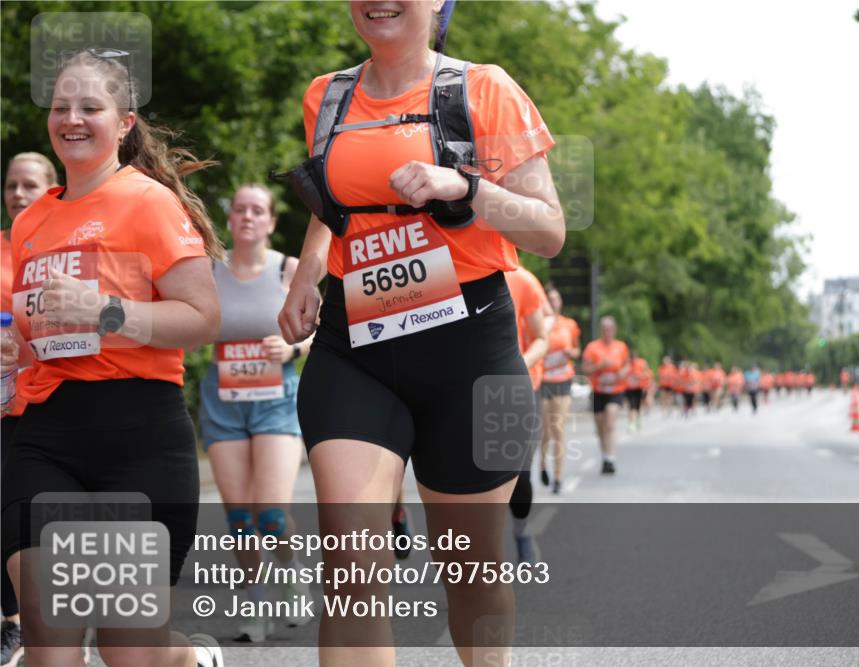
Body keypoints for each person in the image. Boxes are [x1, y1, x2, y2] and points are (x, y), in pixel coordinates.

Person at [277, 2, 564, 664]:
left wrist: (461, 186)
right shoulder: (326, 95)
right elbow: (336, 201)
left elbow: (549, 230)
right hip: (357, 348)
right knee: (349, 561)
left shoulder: (483, 89)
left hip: (470, 352)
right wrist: (307, 273)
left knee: (470, 567)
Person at [1, 50, 224, 667]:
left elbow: (202, 319)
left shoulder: (148, 202)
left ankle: (183, 659)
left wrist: (107, 310)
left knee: (130, 653)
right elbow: (36, 333)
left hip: (140, 437)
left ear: (124, 123)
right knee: (50, 641)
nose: (72, 119)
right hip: (44, 437)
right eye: (60, 106)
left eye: (89, 107)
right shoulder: (32, 221)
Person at [197, 184, 314, 642]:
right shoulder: (209, 271)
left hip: (276, 399)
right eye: (240, 209)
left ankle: (292, 573)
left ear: (270, 221)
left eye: (257, 210)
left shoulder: (289, 270)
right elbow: (191, 322)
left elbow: (317, 332)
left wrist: (292, 348)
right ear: (230, 220)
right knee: (239, 515)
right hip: (222, 399)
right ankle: (253, 607)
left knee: (269, 511)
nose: (247, 216)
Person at [1, 151, 58, 667]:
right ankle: (15, 621)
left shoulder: (68, 248)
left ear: (53, 189)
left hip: (52, 401)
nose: (19, 193)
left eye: (30, 185)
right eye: (12, 185)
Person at [504, 265, 551, 563]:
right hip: (463, 391)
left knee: (519, 475)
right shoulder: (447, 269)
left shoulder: (521, 279)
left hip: (518, 388)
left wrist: (519, 364)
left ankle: (521, 530)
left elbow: (541, 337)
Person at [539, 287, 579, 494]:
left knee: (558, 428)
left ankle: (557, 477)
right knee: (545, 431)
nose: (554, 302)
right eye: (550, 299)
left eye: (557, 298)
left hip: (563, 380)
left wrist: (571, 352)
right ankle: (543, 464)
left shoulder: (569, 324)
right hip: (544, 380)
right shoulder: (539, 324)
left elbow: (576, 350)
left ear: (561, 302)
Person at [581, 317, 629, 474]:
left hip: (616, 390)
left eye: (610, 328)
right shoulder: (592, 347)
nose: (607, 331)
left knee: (610, 423)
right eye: (604, 328)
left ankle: (611, 459)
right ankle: (605, 456)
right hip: (598, 391)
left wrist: (622, 372)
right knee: (600, 427)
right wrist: (599, 366)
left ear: (614, 330)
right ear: (601, 330)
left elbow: (627, 365)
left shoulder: (621, 347)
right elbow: (585, 369)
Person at [623, 347, 653, 432]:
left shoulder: (642, 363)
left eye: (633, 357)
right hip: (628, 388)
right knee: (631, 406)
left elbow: (648, 373)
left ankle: (635, 421)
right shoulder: (625, 364)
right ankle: (632, 423)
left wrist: (639, 376)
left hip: (639, 388)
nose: (632, 359)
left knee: (636, 406)